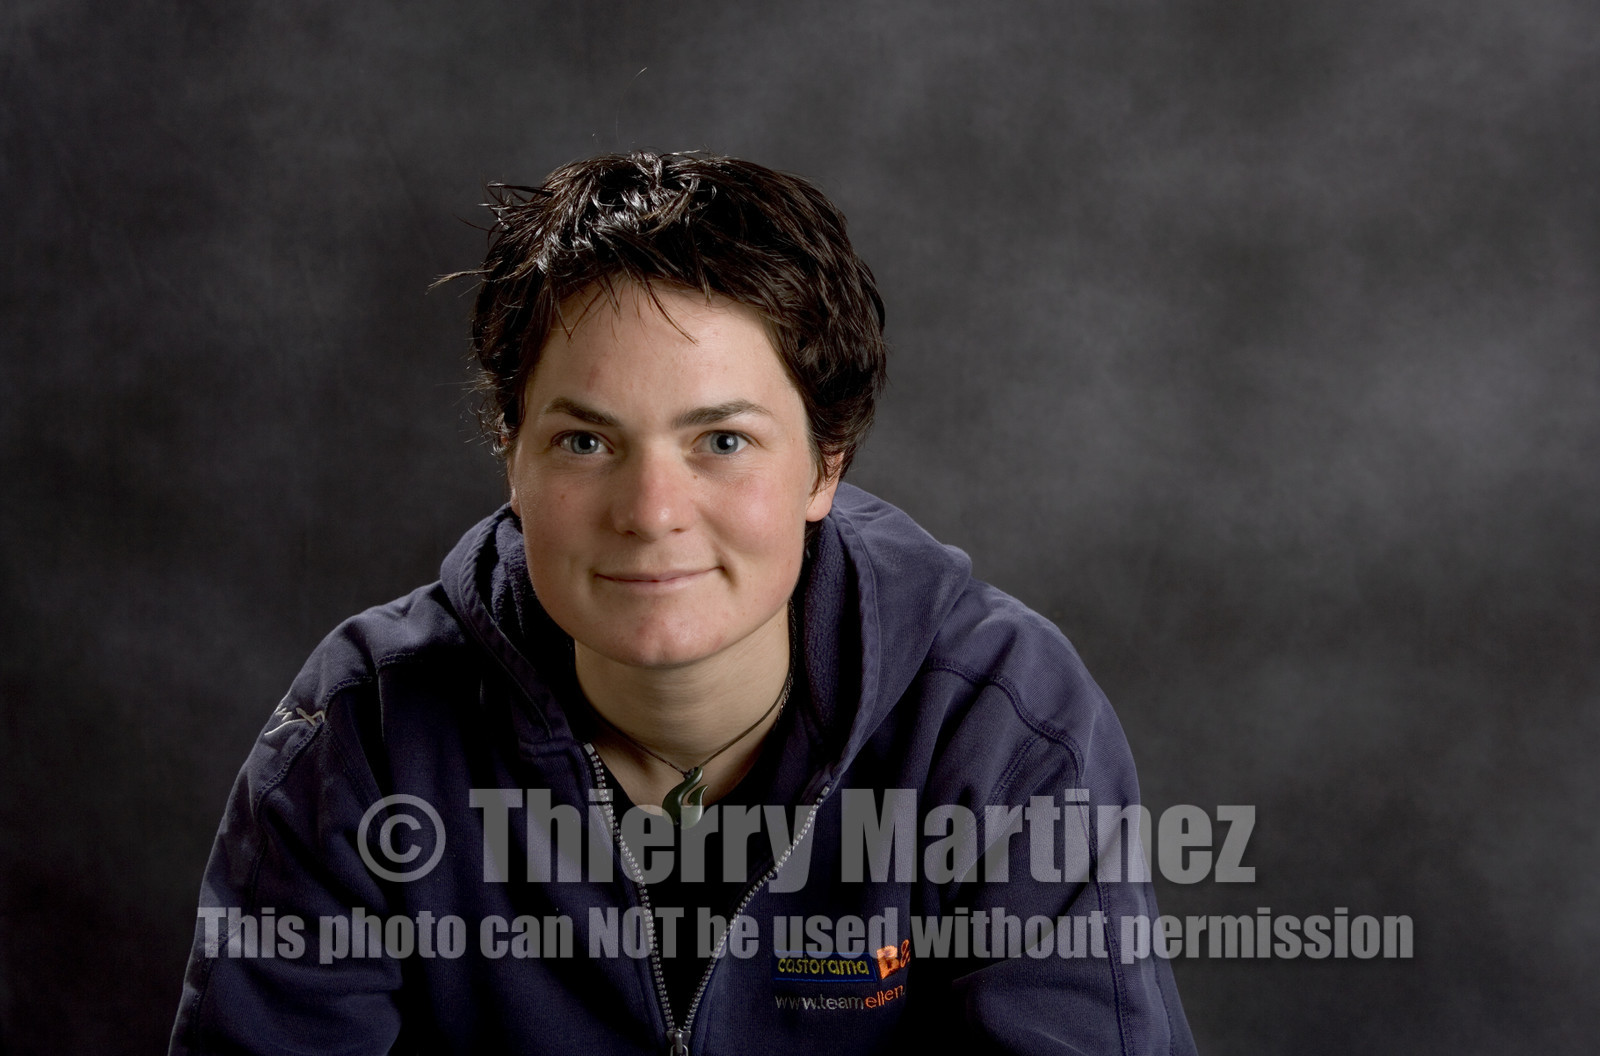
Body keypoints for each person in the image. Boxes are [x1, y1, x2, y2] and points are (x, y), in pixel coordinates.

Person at [169, 151, 1197, 1055]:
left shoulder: (997, 726)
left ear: (823, 467)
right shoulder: (370, 730)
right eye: (585, 442)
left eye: (722, 441)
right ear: (511, 463)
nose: (651, 512)